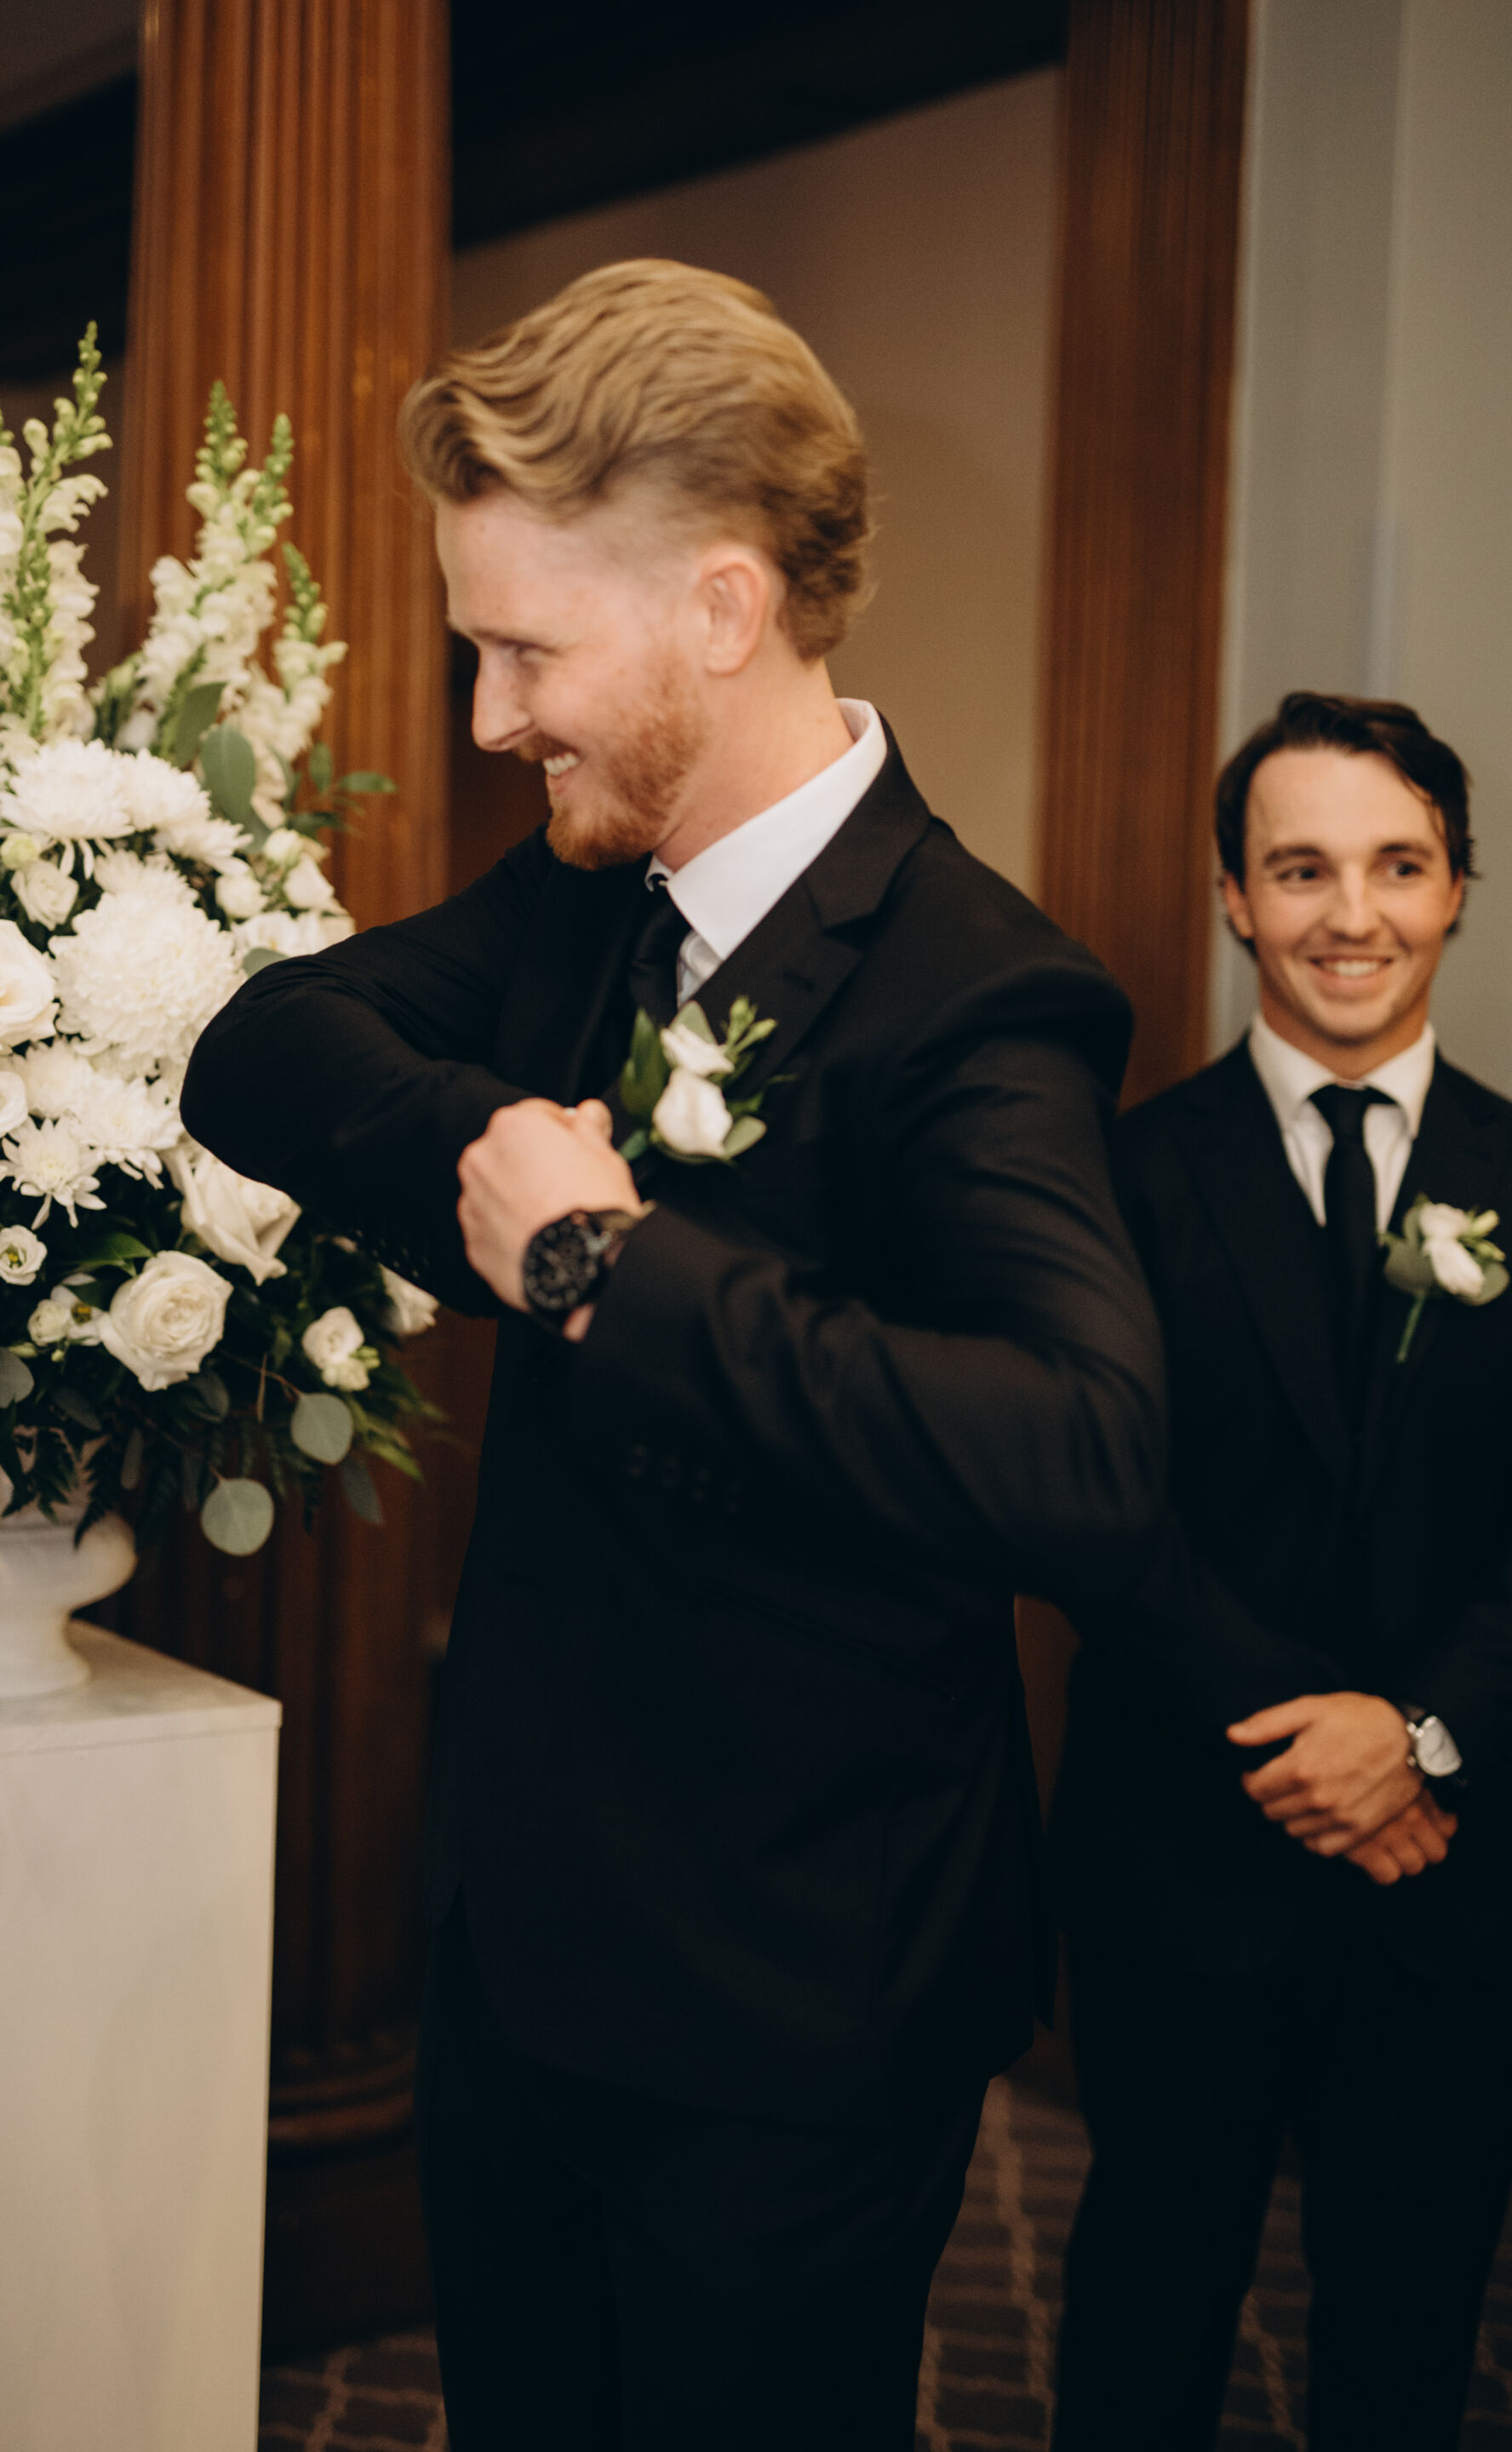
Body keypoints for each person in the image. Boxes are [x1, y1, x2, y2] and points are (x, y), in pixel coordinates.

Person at [181, 258, 1164, 2452]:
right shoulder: (584, 898)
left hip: (792, 2012)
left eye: (526, 651)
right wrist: (503, 1160)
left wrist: (608, 1270)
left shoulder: (979, 993)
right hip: (524, 1954)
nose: (487, 717)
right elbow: (264, 1049)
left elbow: (1085, 1455)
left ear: (724, 608)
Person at [1050, 691, 1512, 2452]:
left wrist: (1426, 1737)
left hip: (1454, 1870)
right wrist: (1321, 1741)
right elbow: (1095, 1513)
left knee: (1412, 2332)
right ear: (1237, 899)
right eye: (1302, 869)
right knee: (1146, 2319)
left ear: (1458, 886)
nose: (1352, 913)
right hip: (1186, 1851)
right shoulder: (1117, 1176)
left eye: (1398, 865)